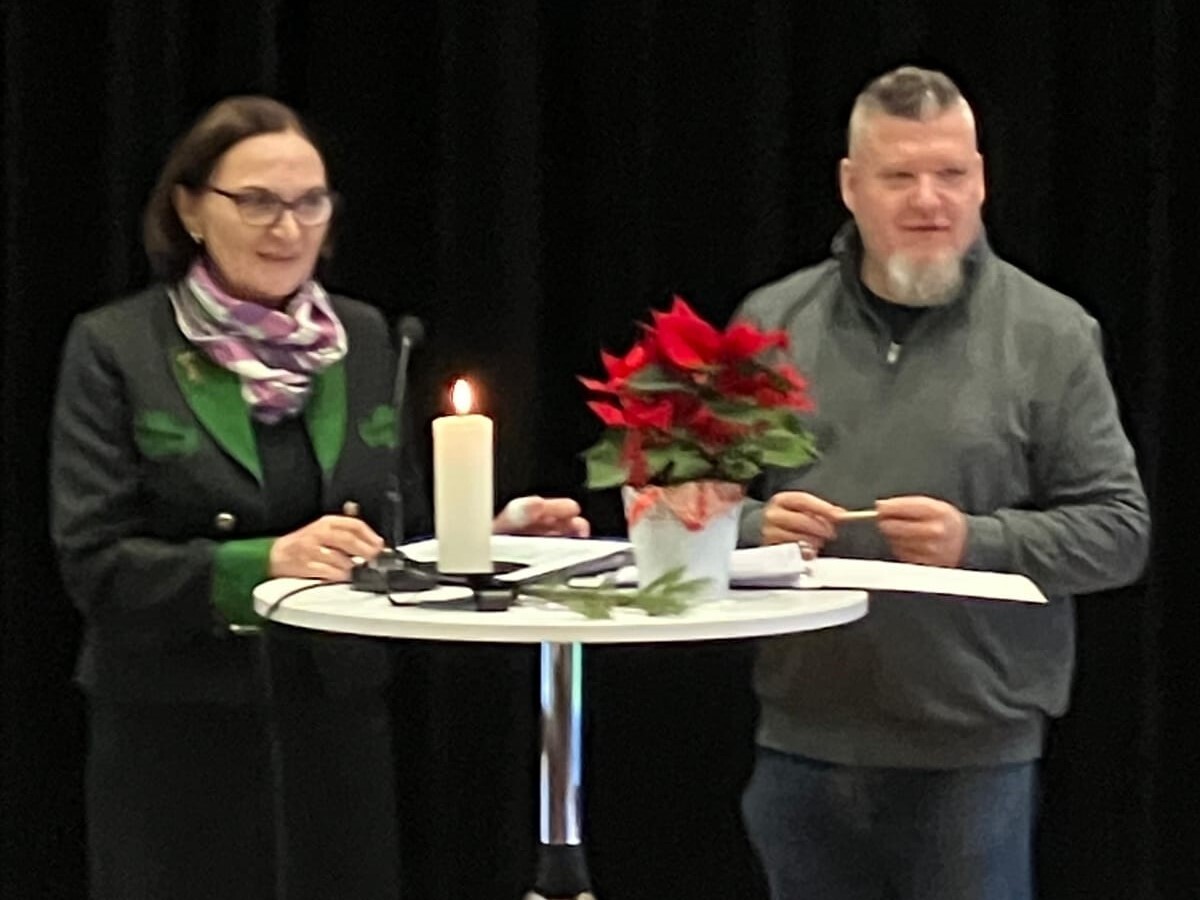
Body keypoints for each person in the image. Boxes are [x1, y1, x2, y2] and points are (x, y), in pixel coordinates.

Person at [49, 96, 588, 900]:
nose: (287, 228)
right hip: (177, 729)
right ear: (190, 210)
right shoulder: (117, 346)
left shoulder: (365, 339)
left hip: (335, 729)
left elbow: (395, 537)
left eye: (310, 202)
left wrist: (489, 535)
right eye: (257, 201)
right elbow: (95, 563)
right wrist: (265, 563)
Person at [735, 67, 1150, 900]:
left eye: (951, 173)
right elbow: (684, 512)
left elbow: (1119, 532)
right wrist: (753, 529)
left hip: (972, 759)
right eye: (900, 176)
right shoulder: (770, 325)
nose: (929, 200)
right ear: (851, 186)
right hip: (800, 746)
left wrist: (975, 541)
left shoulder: (1051, 334)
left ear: (982, 180)